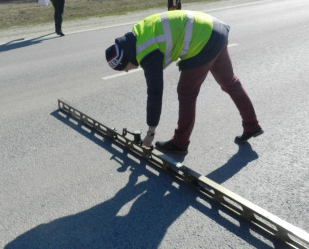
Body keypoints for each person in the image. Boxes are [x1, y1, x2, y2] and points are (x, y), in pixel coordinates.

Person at [104, 10, 262, 155]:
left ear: (126, 58)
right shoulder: (138, 33)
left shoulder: (147, 51)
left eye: (124, 67)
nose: (126, 71)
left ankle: (180, 143)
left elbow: (155, 93)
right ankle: (252, 125)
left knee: (186, 92)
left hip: (203, 40)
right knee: (230, 82)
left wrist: (151, 132)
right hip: (215, 29)